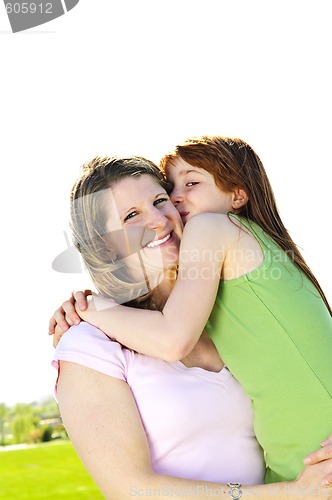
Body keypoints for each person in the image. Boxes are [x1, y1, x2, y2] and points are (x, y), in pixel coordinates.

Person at [50, 136, 332, 486]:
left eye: (159, 200)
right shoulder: (90, 342)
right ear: (104, 248)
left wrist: (94, 306)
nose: (159, 218)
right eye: (132, 215)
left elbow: (310, 354)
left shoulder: (226, 308)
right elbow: (130, 490)